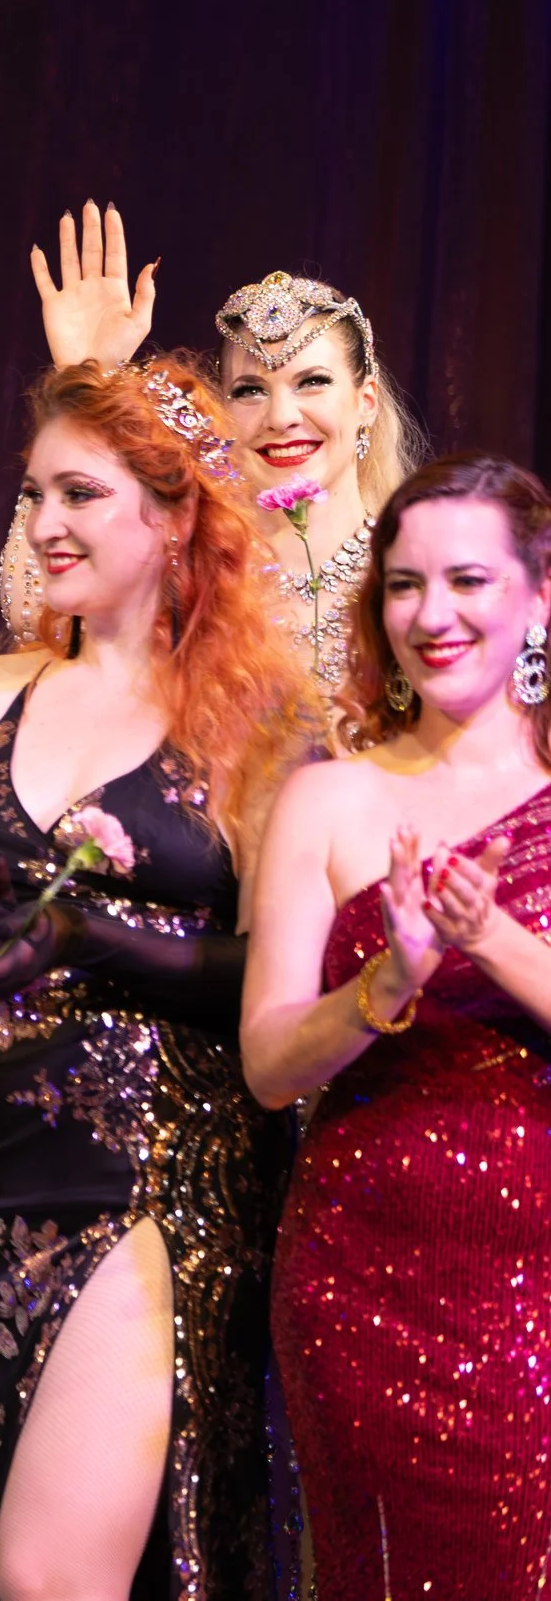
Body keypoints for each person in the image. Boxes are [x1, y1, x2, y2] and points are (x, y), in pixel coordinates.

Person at [0, 355, 313, 1597]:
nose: (45, 524)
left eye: (80, 493)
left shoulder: (261, 717)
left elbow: (270, 976)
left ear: (174, 517)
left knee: (53, 1570)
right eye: (31, 496)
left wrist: (86, 941)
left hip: (147, 1181)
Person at [240, 452, 551, 1596]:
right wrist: (385, 980)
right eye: (403, 585)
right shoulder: (329, 796)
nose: (432, 614)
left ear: (539, 596)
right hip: (360, 1282)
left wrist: (490, 940)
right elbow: (271, 1064)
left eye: (466, 579)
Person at [12, 201, 425, 694]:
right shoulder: (190, 568)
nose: (280, 417)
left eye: (312, 382)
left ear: (366, 402)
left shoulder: (413, 567)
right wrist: (84, 376)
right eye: (250, 390)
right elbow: (35, 609)